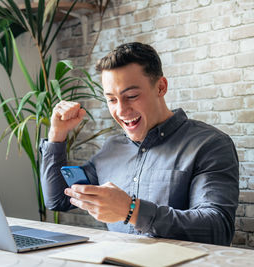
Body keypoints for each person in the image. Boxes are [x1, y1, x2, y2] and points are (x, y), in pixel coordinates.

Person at [39, 42, 239, 246]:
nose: (121, 110)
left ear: (161, 87)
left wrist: (131, 210)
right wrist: (57, 134)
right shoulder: (112, 148)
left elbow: (217, 229)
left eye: (131, 96)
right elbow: (58, 199)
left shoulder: (210, 144)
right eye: (112, 100)